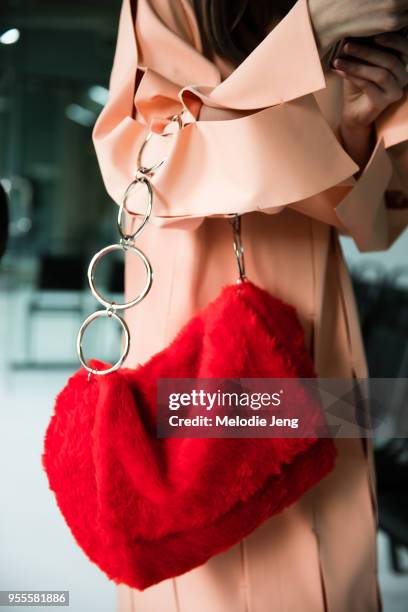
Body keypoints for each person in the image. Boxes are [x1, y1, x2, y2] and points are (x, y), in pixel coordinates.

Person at [91, 0, 408, 610]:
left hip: (319, 323)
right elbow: (151, 167)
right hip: (197, 310)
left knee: (327, 555)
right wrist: (304, 40)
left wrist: (356, 125)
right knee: (206, 543)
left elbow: (377, 225)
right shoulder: (170, 6)